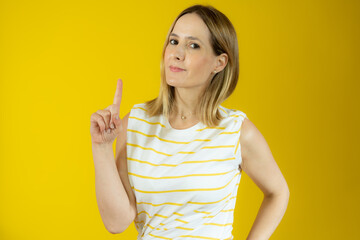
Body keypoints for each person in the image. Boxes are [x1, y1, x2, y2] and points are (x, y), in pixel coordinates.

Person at [90, 4, 289, 240]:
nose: (177, 53)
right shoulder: (135, 124)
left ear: (220, 63)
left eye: (193, 45)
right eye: (173, 41)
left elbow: (278, 192)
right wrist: (101, 148)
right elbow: (117, 222)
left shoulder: (236, 130)